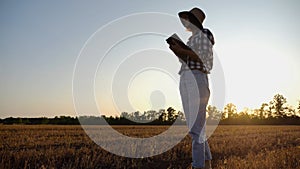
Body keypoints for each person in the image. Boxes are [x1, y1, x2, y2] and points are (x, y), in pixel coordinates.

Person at [168, 7, 215, 169]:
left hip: (197, 77)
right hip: (186, 76)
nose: (186, 22)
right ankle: (206, 163)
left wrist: (182, 51)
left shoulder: (205, 34)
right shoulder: (190, 40)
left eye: (189, 19)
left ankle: (198, 166)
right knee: (196, 127)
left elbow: (203, 57)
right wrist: (178, 51)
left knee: (195, 127)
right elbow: (187, 59)